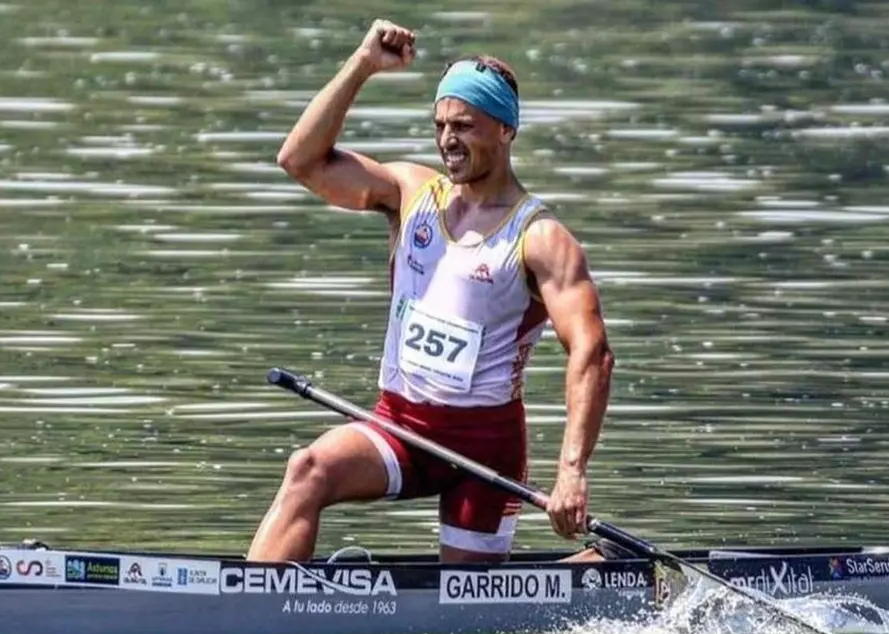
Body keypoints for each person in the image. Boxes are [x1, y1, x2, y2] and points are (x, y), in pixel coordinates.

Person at [247, 18, 615, 564]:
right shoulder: (412, 193)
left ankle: (598, 568)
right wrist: (363, 64)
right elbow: (299, 161)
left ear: (506, 130)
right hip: (398, 426)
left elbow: (592, 352)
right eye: (440, 125)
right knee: (308, 469)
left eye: (464, 125)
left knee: (469, 603)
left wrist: (571, 472)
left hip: (484, 450)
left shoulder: (540, 238)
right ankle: (255, 599)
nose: (447, 140)